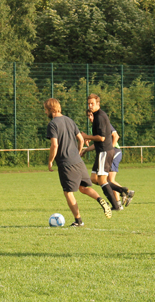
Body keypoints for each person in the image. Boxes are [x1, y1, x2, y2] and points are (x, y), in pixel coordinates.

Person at [45, 98, 112, 227]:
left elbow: (54, 145)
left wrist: (50, 161)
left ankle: (78, 220)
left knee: (68, 192)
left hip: (66, 163)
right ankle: (101, 199)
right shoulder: (69, 120)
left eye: (45, 109)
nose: (45, 112)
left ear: (50, 109)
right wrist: (77, 152)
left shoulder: (53, 124)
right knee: (84, 188)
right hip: (78, 161)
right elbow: (81, 139)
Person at [82, 94, 133, 210]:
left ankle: (116, 205)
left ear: (98, 104)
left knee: (103, 180)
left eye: (92, 103)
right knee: (94, 179)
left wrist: (86, 136)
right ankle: (124, 191)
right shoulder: (97, 116)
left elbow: (102, 138)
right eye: (88, 103)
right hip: (101, 152)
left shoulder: (100, 117)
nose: (90, 106)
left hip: (104, 152)